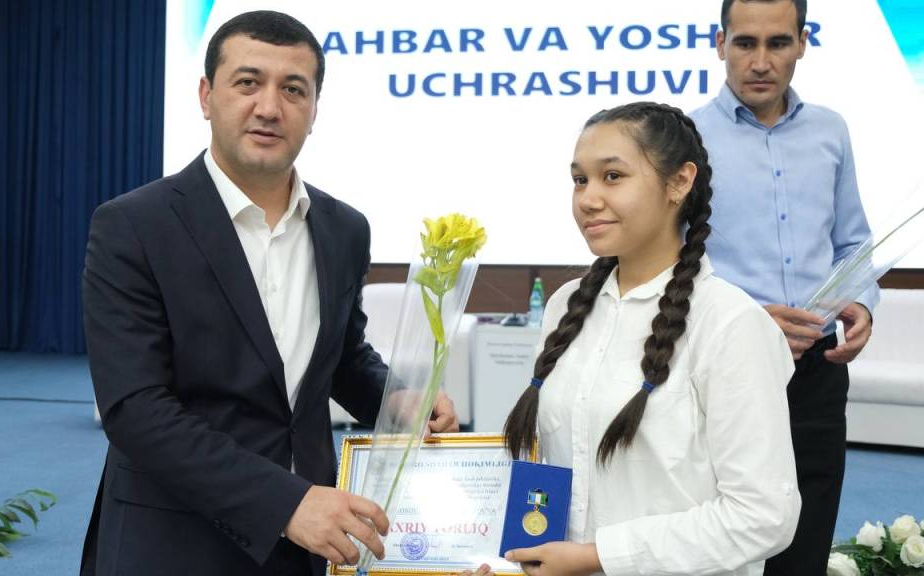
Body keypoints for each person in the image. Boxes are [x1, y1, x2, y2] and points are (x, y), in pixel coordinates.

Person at [79, 10, 458, 576]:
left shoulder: (344, 229)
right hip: (174, 542)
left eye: (293, 89)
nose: (269, 107)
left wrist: (397, 400)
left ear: (314, 110)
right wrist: (285, 504)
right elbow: (136, 409)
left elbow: (341, 357)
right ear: (206, 96)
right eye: (248, 82)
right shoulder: (132, 226)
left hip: (308, 547)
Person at [467, 102, 800, 576]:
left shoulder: (730, 323)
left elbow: (764, 516)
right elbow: (555, 475)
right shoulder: (565, 306)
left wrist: (598, 556)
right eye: (579, 180)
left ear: (679, 182)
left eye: (613, 176)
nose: (588, 199)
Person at [690, 1, 879, 573]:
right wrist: (749, 318)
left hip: (819, 365)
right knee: (722, 526)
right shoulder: (685, 138)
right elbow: (672, 260)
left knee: (810, 521)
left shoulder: (831, 130)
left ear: (802, 42)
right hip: (728, 362)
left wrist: (861, 302)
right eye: (745, 43)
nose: (760, 61)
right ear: (720, 44)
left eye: (777, 43)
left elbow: (853, 243)